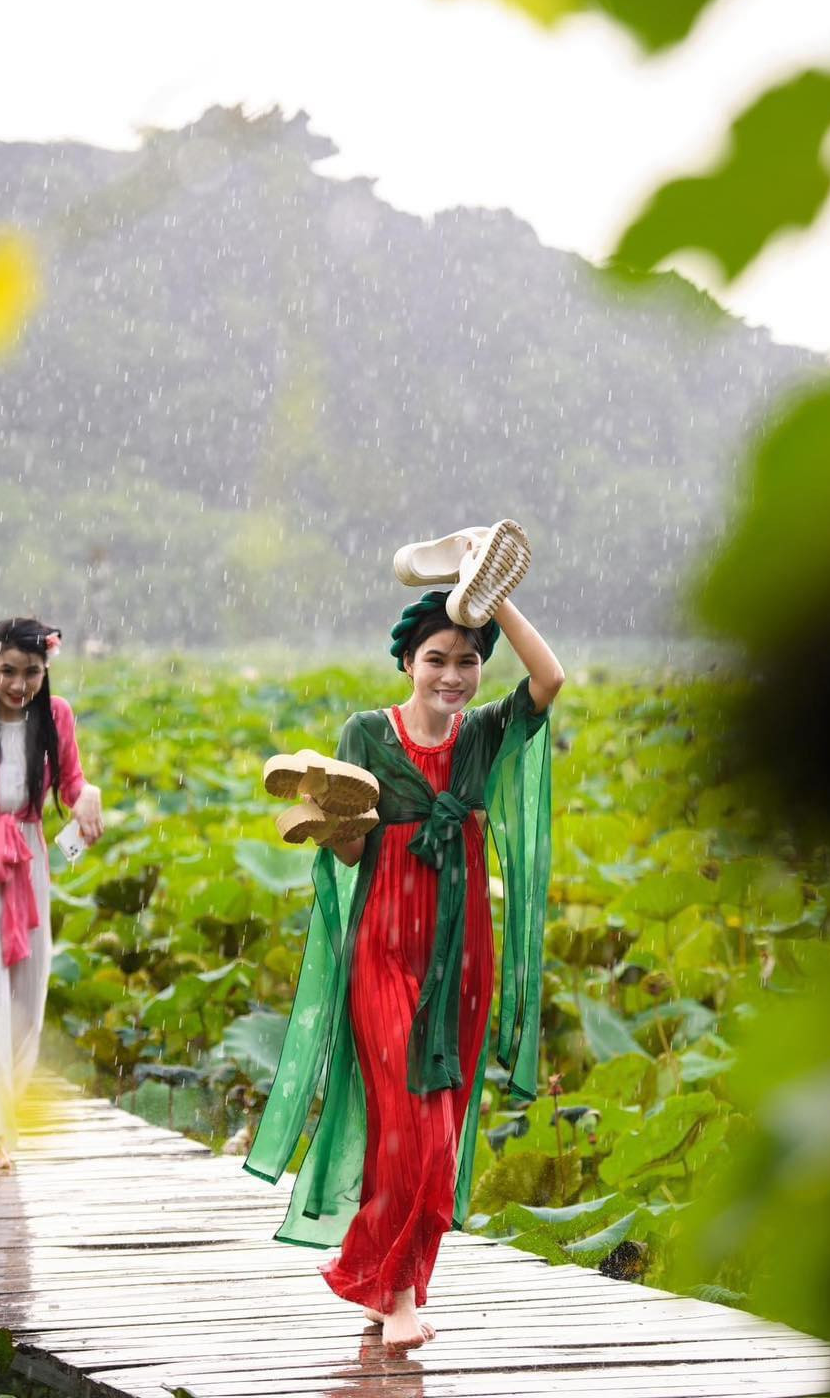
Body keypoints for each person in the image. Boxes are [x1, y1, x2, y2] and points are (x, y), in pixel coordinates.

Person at [247, 539, 562, 1354]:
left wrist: (487, 597)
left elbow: (550, 678)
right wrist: (327, 825)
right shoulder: (366, 735)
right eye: (436, 660)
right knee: (409, 1126)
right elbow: (354, 852)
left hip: (460, 954)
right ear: (406, 664)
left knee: (441, 1126)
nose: (452, 676)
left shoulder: (483, 735)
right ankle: (393, 1295)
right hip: (384, 945)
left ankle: (389, 1284)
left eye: (467, 661)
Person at [0, 617, 104, 1169]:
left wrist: (87, 798)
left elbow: (72, 782)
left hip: (31, 856)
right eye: (8, 671)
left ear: (45, 671)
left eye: (32, 673)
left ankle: (5, 1114)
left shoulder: (55, 716)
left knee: (27, 996)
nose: (20, 685)